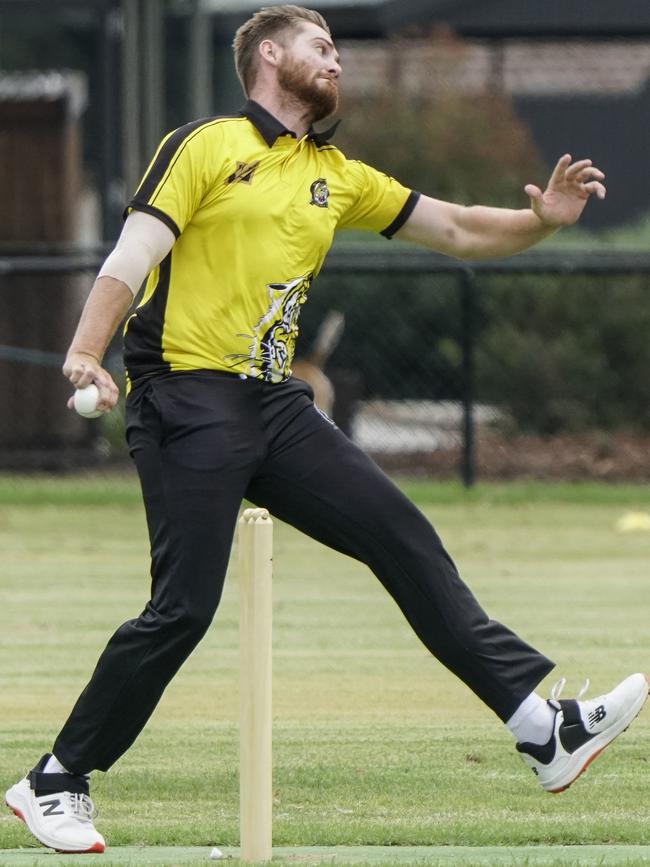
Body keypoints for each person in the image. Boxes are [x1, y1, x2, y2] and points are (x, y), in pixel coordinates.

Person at [5, 4, 647, 854]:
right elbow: (132, 254)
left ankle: (542, 729)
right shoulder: (204, 145)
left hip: (274, 404)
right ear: (269, 55)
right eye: (322, 46)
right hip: (184, 397)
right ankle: (55, 779)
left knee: (402, 535)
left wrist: (541, 221)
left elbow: (454, 226)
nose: (337, 59)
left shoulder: (335, 174)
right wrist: (87, 351)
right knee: (184, 609)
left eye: (337, 48)